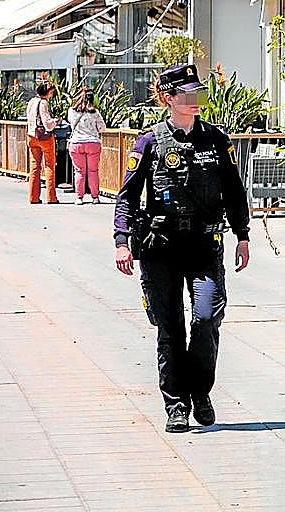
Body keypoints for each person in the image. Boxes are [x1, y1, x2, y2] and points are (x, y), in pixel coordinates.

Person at [113, 64, 251, 433]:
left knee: (206, 319)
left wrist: (243, 234)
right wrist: (122, 241)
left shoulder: (217, 140)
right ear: (168, 98)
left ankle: (200, 391)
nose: (195, 101)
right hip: (162, 246)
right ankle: (176, 405)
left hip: (204, 244)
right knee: (169, 326)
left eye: (198, 94)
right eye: (187, 95)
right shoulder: (149, 142)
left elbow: (235, 192)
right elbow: (126, 196)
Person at [67, 88, 107, 205]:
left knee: (79, 171)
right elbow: (102, 128)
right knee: (93, 171)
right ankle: (95, 197)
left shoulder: (71, 111)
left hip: (76, 143)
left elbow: (70, 123)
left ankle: (79, 197)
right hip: (93, 143)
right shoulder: (95, 113)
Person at [25, 80, 59, 205]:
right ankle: (51, 197)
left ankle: (33, 197)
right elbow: (47, 124)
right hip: (44, 138)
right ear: (48, 92)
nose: (52, 94)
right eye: (51, 92)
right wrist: (56, 122)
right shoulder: (43, 103)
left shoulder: (31, 101)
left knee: (35, 167)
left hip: (32, 136)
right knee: (49, 166)